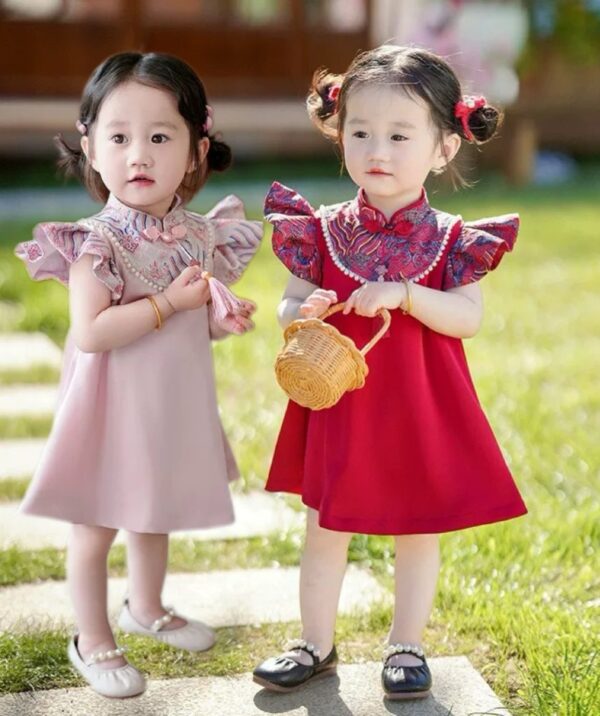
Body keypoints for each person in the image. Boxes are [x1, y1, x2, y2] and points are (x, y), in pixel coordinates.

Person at [253, 45, 526, 701]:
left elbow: (467, 318)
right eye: (361, 132)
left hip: (418, 405)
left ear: (444, 147)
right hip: (341, 403)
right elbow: (289, 304)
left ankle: (406, 644)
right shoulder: (321, 230)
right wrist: (303, 310)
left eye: (400, 136)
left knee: (416, 529)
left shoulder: (451, 238)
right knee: (325, 526)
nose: (378, 149)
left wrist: (405, 294)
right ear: (339, 134)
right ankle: (314, 642)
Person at [15, 51, 262, 699]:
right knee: (97, 523)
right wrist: (170, 304)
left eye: (159, 137)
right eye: (120, 138)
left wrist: (217, 317)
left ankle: (146, 606)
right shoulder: (95, 243)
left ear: (196, 150)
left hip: (170, 401)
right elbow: (91, 332)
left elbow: (193, 316)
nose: (139, 155)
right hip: (109, 405)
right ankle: (91, 636)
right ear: (91, 149)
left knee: (156, 507)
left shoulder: (199, 235)